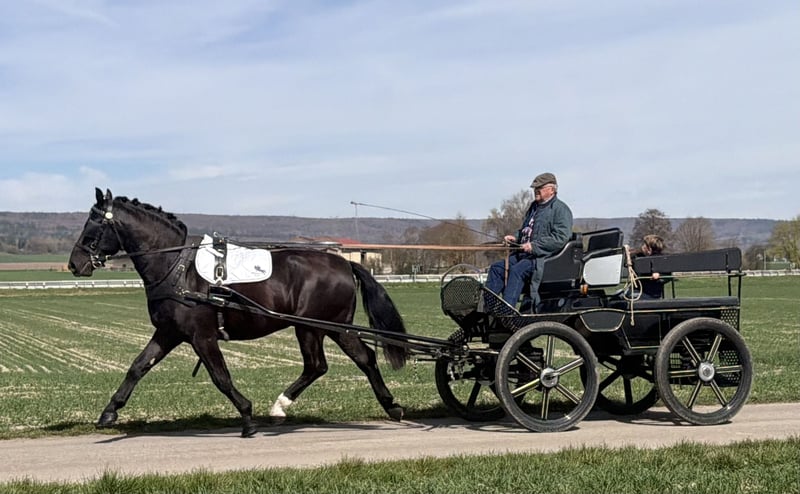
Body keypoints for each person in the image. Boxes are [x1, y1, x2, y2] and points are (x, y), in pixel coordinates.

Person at [485, 172, 573, 311]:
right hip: (523, 254)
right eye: (535, 188)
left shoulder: (561, 209)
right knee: (496, 268)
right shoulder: (534, 207)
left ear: (552, 189)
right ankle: (487, 310)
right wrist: (515, 237)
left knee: (517, 271)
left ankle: (507, 313)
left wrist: (534, 246)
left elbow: (560, 237)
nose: (535, 191)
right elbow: (526, 230)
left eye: (539, 188)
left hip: (542, 258)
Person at [630, 234, 667, 299]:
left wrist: (659, 275)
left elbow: (667, 275)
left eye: (644, 244)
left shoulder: (661, 260)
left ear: (649, 249)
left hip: (649, 294)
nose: (642, 246)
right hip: (639, 291)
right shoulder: (639, 256)